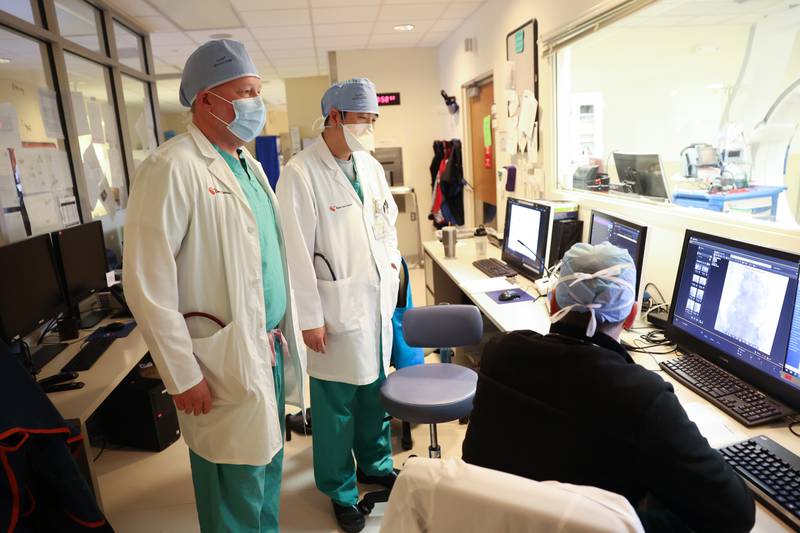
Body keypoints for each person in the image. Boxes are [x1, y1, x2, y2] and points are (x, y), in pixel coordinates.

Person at [123, 39, 305, 533]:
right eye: (245, 92)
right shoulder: (171, 167)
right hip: (218, 362)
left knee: (266, 472)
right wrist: (183, 375)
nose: (256, 104)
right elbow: (146, 286)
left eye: (257, 92)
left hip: (263, 350)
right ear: (206, 99)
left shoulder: (245, 162)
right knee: (232, 487)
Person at [461, 242, 755, 533]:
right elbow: (736, 514)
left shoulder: (501, 351)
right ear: (630, 316)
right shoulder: (641, 395)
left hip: (495, 522)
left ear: (553, 303)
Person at [276, 78, 401, 533]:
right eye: (362, 118)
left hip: (372, 304)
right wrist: (309, 318)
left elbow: (386, 225)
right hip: (331, 311)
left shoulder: (369, 167)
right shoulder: (300, 173)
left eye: (373, 118)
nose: (369, 126)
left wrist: (391, 275)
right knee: (335, 408)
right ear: (334, 118)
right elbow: (295, 254)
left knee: (374, 395)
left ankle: (375, 464)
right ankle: (340, 488)